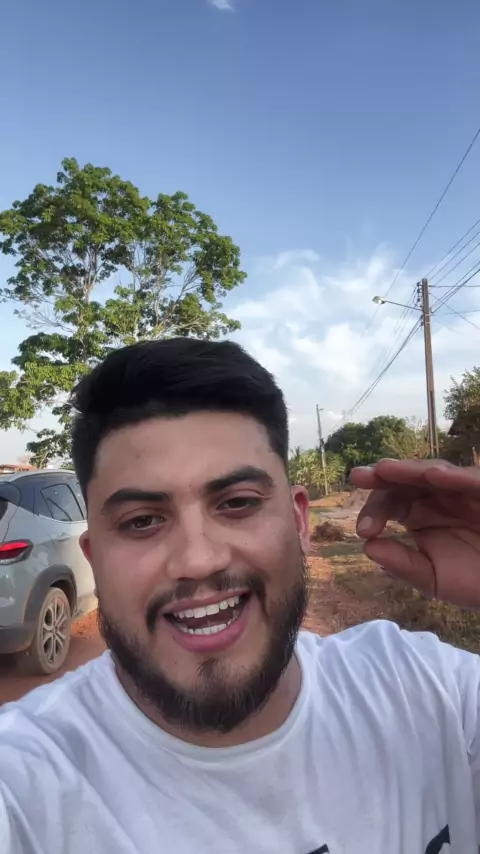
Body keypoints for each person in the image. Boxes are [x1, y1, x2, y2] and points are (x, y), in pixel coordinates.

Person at [0, 338, 479, 854]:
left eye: (237, 503)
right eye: (141, 521)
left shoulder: (427, 693)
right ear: (94, 559)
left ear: (299, 521)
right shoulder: (25, 781)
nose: (198, 559)